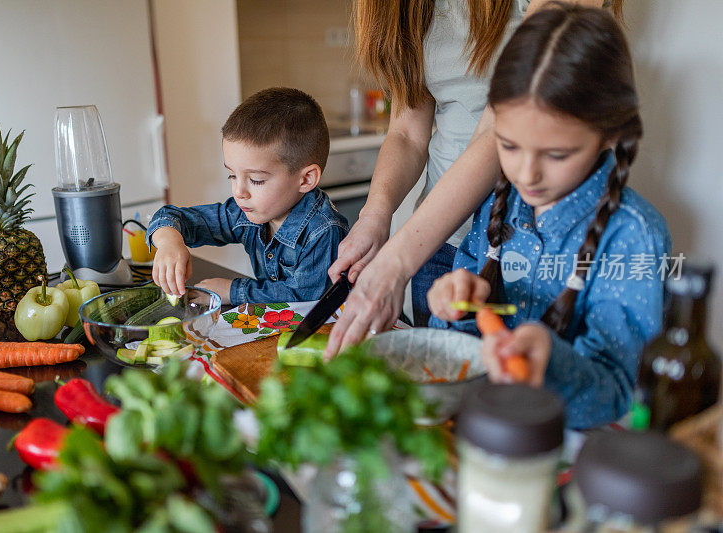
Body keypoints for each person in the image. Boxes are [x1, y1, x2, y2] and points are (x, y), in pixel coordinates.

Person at [324, 0, 622, 359]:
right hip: (440, 248)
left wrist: (397, 261)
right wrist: (374, 217)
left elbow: (504, 123)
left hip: (533, 250)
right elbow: (406, 132)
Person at [426, 4, 670, 429]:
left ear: (610, 133)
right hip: (487, 434)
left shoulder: (633, 236)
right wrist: (458, 309)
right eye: (509, 146)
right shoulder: (498, 206)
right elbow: (458, 355)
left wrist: (550, 361)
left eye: (556, 154)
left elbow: (619, 396)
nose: (526, 174)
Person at [146, 87, 349, 305]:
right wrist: (169, 241)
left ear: (306, 179)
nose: (238, 192)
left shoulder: (324, 230)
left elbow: (305, 298)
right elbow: (174, 217)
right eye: (232, 176)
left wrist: (231, 291)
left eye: (256, 180)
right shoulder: (247, 208)